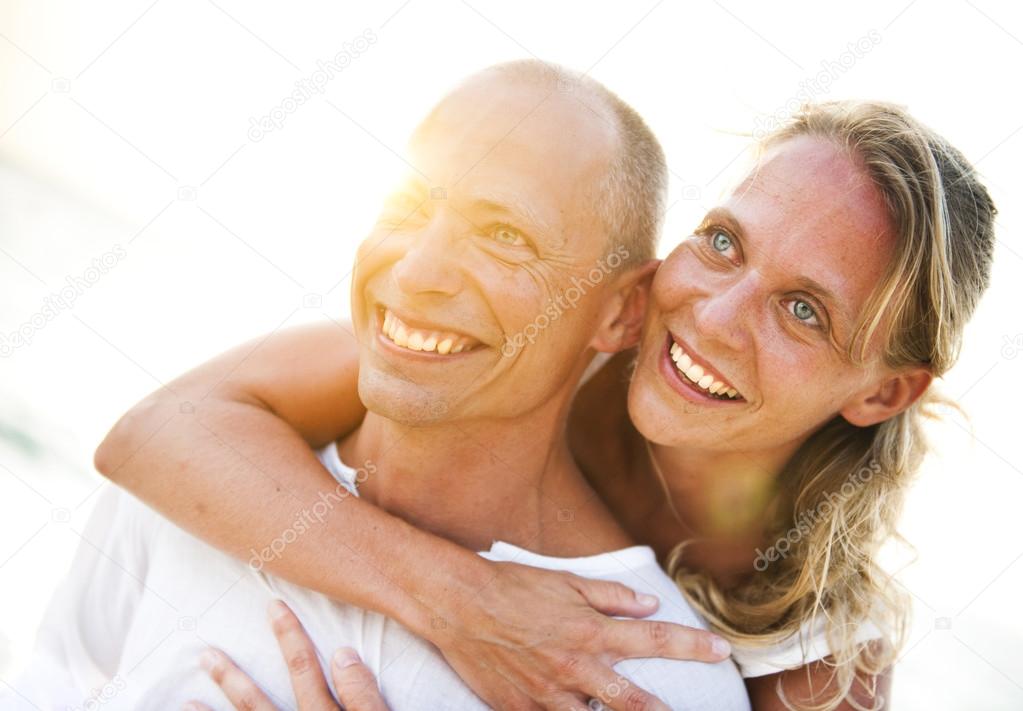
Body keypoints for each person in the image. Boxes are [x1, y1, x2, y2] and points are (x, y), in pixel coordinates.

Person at [95, 72, 997, 709]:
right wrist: (456, 598)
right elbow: (158, 431)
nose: (713, 316)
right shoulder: (556, 347)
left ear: (882, 394)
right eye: (724, 241)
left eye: (802, 310)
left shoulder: (818, 654)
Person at [10, 61, 751, 711]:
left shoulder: (656, 674)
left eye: (505, 236)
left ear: (621, 309)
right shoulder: (193, 479)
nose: (418, 271)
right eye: (411, 202)